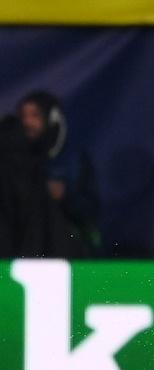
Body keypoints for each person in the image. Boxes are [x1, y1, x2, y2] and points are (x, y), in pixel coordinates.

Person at [18, 91, 100, 256]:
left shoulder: (74, 160)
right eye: (23, 116)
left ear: (52, 118)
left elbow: (92, 210)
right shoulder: (13, 159)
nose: (27, 122)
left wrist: (65, 196)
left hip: (69, 253)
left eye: (35, 115)